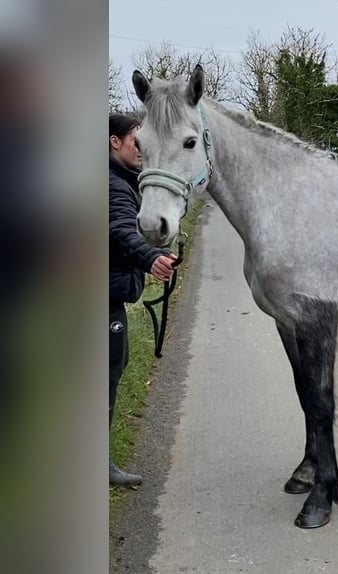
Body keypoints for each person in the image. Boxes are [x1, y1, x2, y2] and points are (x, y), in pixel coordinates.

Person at [109, 113, 176, 487]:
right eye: (137, 143)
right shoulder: (111, 185)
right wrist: (151, 259)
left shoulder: (124, 181)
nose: (141, 151)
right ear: (113, 142)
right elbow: (119, 229)